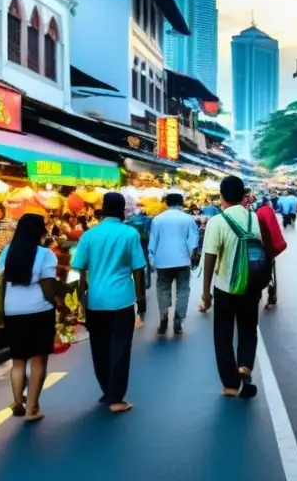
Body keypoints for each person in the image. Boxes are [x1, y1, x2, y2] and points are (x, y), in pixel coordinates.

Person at [72, 192, 147, 414]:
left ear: (103, 209)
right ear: (123, 210)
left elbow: (78, 270)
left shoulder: (89, 236)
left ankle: (107, 390)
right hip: (122, 299)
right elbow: (138, 269)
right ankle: (116, 398)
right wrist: (141, 299)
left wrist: (79, 298)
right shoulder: (129, 234)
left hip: (95, 301)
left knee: (99, 347)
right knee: (121, 347)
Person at [200, 175, 264, 399]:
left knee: (223, 334)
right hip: (251, 285)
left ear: (222, 197)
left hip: (225, 287)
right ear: (242, 196)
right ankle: (245, 363)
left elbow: (210, 258)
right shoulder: (252, 219)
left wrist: (206, 292)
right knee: (248, 328)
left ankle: (229, 384)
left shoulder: (217, 221)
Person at [0, 212, 59, 421]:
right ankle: (32, 408)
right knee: (39, 360)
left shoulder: (7, 252)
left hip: (12, 311)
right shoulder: (45, 254)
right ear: (40, 231)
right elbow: (48, 286)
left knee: (18, 360)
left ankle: (18, 402)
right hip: (39, 311)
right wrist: (58, 305)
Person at [149, 191, 199, 336]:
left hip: (163, 262)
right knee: (183, 290)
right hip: (182, 261)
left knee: (162, 290)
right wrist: (193, 256)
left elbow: (153, 242)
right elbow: (192, 241)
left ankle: (163, 317)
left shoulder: (157, 220)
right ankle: (178, 320)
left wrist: (152, 259)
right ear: (181, 203)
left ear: (167, 203)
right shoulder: (188, 219)